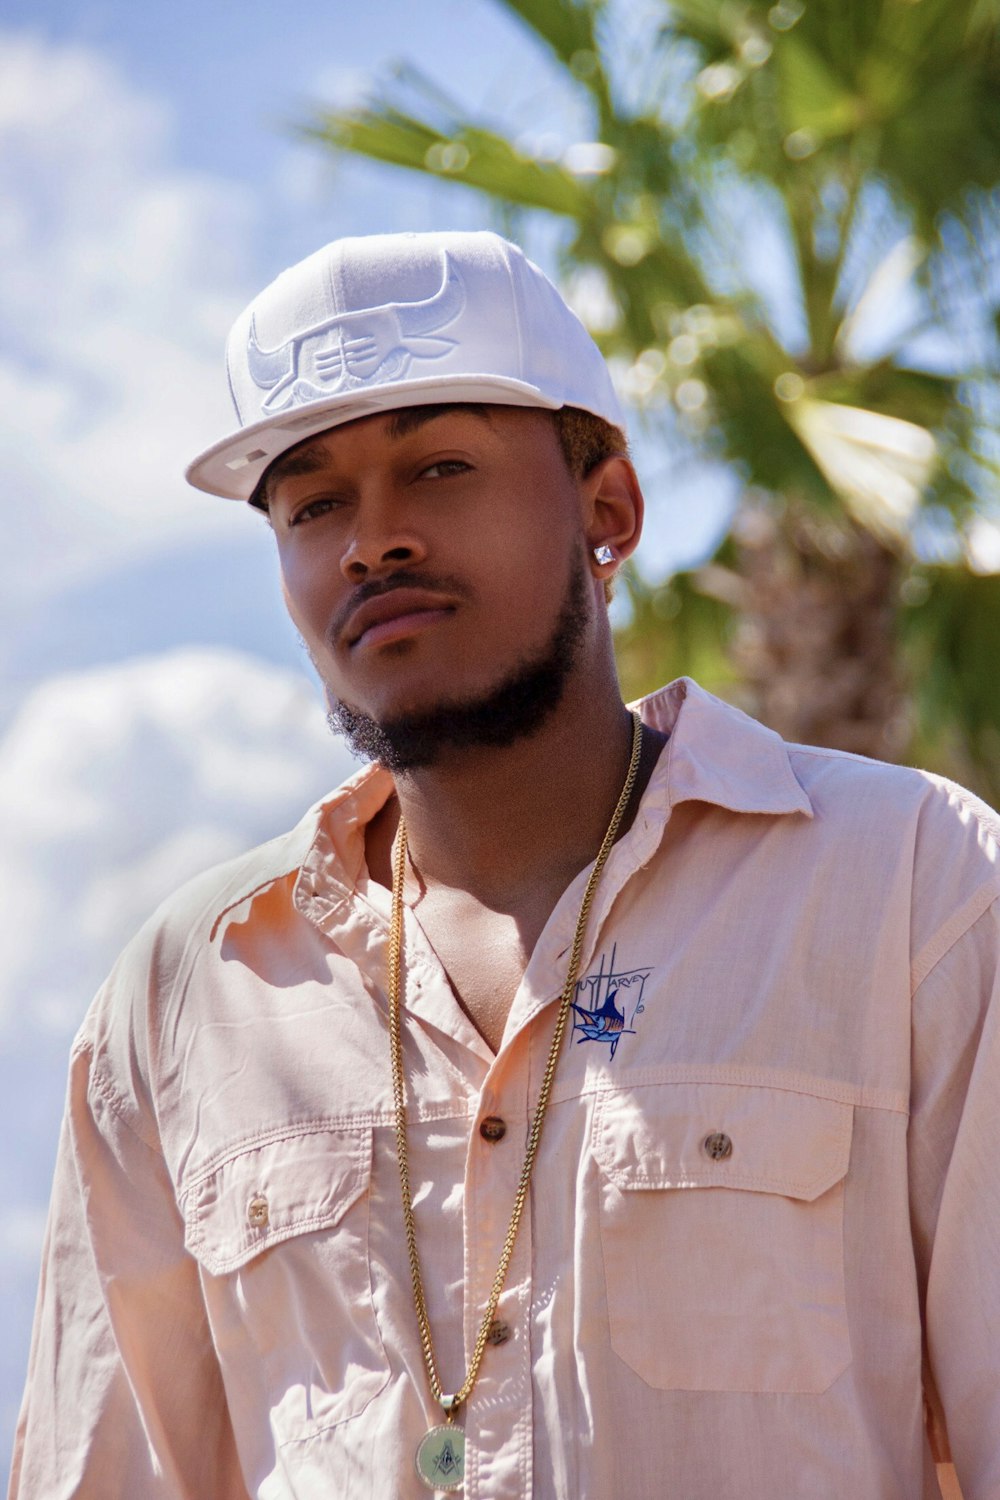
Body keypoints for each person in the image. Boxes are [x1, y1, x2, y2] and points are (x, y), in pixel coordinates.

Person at [8, 229, 999, 1500]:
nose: (373, 543)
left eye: (439, 467)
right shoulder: (180, 1003)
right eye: (313, 504)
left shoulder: (913, 887)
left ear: (609, 513)